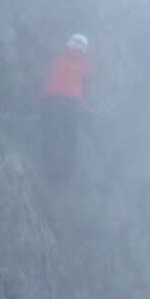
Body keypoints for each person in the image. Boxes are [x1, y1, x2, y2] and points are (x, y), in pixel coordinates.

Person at [40, 33, 93, 185]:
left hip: (53, 101)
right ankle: (65, 176)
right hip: (72, 104)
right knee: (69, 139)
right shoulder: (85, 63)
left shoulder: (59, 58)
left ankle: (49, 173)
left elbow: (48, 77)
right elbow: (86, 86)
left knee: (51, 136)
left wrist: (43, 100)